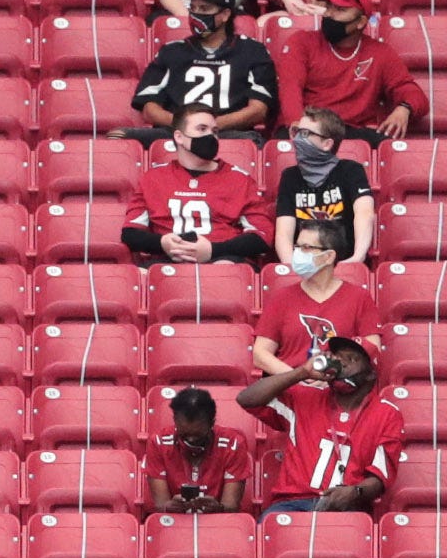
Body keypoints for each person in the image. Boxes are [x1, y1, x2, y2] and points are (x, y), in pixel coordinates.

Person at [239, 337, 402, 514]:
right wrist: (302, 372)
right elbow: (247, 399)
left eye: (352, 359)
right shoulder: (306, 397)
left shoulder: (387, 413)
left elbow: (380, 476)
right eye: (338, 357)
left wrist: (355, 492)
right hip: (292, 503)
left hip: (346, 507)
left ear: (371, 373)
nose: (342, 363)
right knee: (272, 523)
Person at [126, 0, 282, 142]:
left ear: (225, 14)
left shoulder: (252, 51)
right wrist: (186, 125)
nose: (196, 15)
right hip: (175, 132)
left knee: (251, 141)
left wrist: (209, 126)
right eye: (193, 8)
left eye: (204, 9)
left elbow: (259, 110)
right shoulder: (171, 51)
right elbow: (148, 108)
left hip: (227, 133)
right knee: (118, 136)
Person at [121, 107, 274, 268]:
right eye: (202, 129)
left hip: (222, 260)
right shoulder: (153, 177)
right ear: (179, 137)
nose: (210, 136)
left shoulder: (240, 179)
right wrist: (162, 243)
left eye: (214, 131)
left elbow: (262, 236)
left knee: (225, 266)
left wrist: (213, 250)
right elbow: (130, 233)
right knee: (143, 274)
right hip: (168, 262)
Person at [270, 0, 425, 141]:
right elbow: (290, 88)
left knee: (389, 146)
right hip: (307, 126)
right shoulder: (301, 42)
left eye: (340, 10)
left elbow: (413, 93)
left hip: (351, 132)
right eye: (328, 7)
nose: (329, 14)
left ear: (361, 22)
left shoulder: (380, 53)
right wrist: (298, 125)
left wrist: (404, 109)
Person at [251, 221, 375, 374]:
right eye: (297, 247)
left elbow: (371, 349)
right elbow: (260, 354)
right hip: (290, 384)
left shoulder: (359, 297)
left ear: (329, 256)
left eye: (306, 248)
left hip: (337, 385)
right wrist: (298, 377)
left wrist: (335, 376)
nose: (297, 253)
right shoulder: (281, 298)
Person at [268, 110, 372, 264]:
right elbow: (283, 232)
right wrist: (291, 265)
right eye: (296, 131)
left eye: (305, 133)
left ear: (327, 144)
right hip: (304, 265)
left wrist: (357, 258)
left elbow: (365, 213)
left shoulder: (351, 170)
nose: (297, 139)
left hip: (344, 262)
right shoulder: (290, 176)